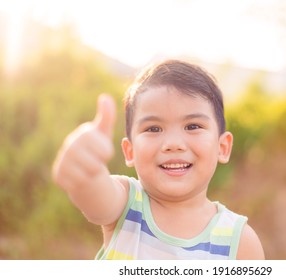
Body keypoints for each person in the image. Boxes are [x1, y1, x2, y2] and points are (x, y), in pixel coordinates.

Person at [52, 59, 265, 260]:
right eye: (153, 128)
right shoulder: (126, 205)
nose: (173, 143)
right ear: (130, 151)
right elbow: (96, 198)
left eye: (192, 126)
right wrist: (86, 175)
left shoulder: (240, 243)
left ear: (222, 147)